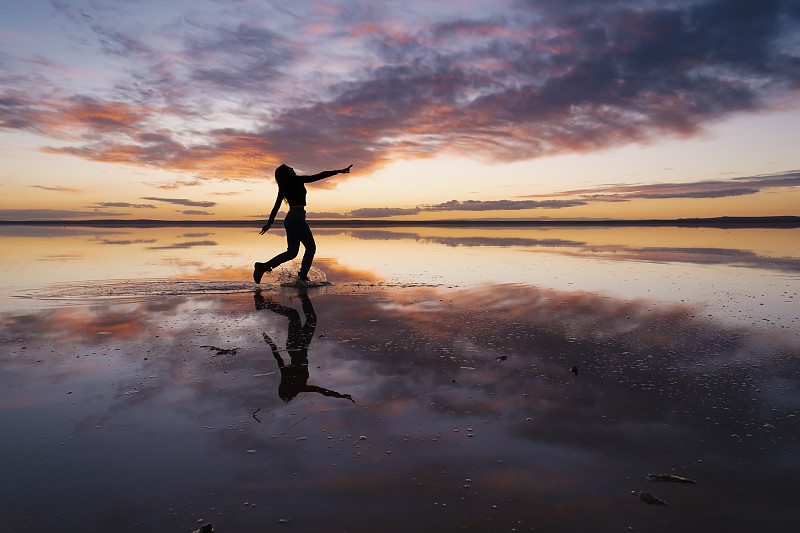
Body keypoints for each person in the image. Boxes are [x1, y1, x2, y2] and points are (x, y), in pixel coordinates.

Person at [254, 163, 353, 284]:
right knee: (311, 248)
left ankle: (264, 267)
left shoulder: (283, 186)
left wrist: (269, 223)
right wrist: (338, 171)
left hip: (290, 219)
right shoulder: (296, 180)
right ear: (287, 173)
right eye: (289, 168)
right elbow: (317, 176)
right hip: (296, 218)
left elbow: (276, 206)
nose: (292, 168)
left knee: (292, 252)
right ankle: (303, 275)